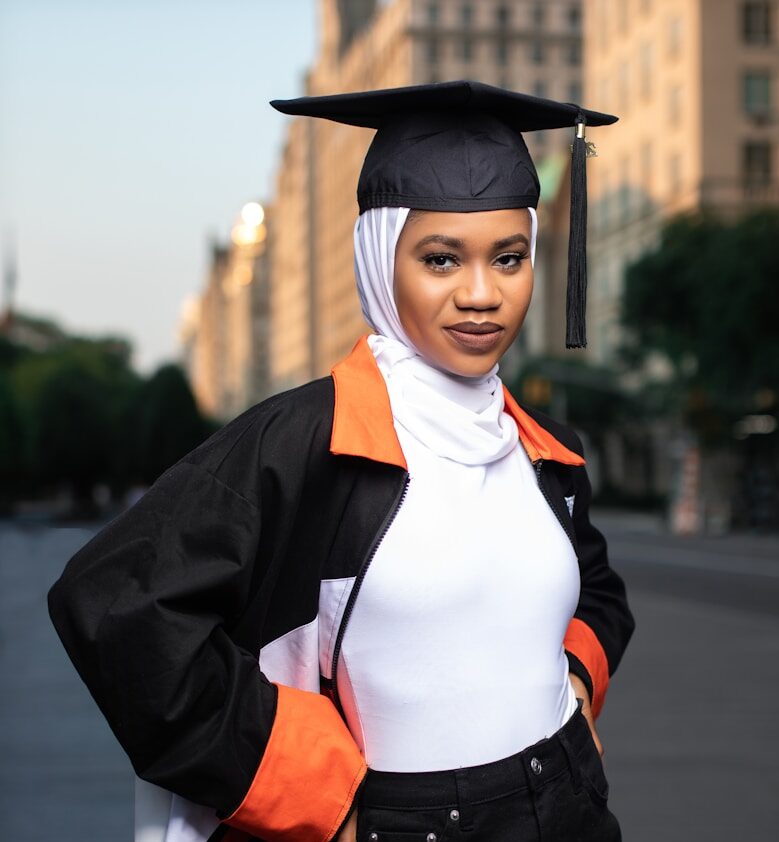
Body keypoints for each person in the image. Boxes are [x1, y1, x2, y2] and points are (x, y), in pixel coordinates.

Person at [47, 81, 635, 842]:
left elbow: (598, 590)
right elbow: (119, 606)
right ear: (378, 258)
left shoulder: (545, 449)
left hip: (569, 808)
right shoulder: (303, 442)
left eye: (510, 257)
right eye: (441, 259)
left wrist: (580, 686)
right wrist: (325, 794)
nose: (482, 294)